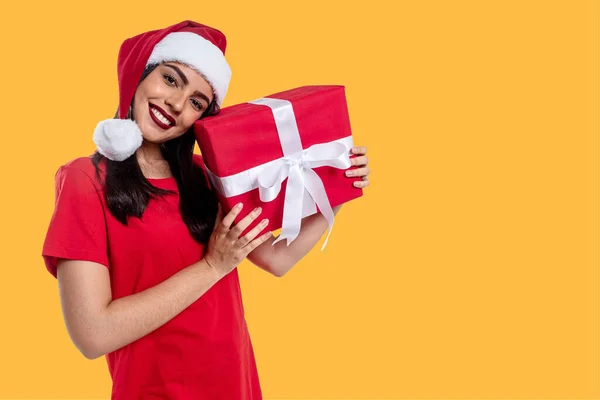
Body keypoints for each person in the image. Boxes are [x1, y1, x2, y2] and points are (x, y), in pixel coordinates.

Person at [41, 20, 371, 399]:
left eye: (197, 101)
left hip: (236, 385)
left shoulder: (207, 177)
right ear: (139, 75)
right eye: (170, 79)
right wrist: (213, 266)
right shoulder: (85, 179)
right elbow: (92, 335)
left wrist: (336, 186)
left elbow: (278, 259)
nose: (177, 104)